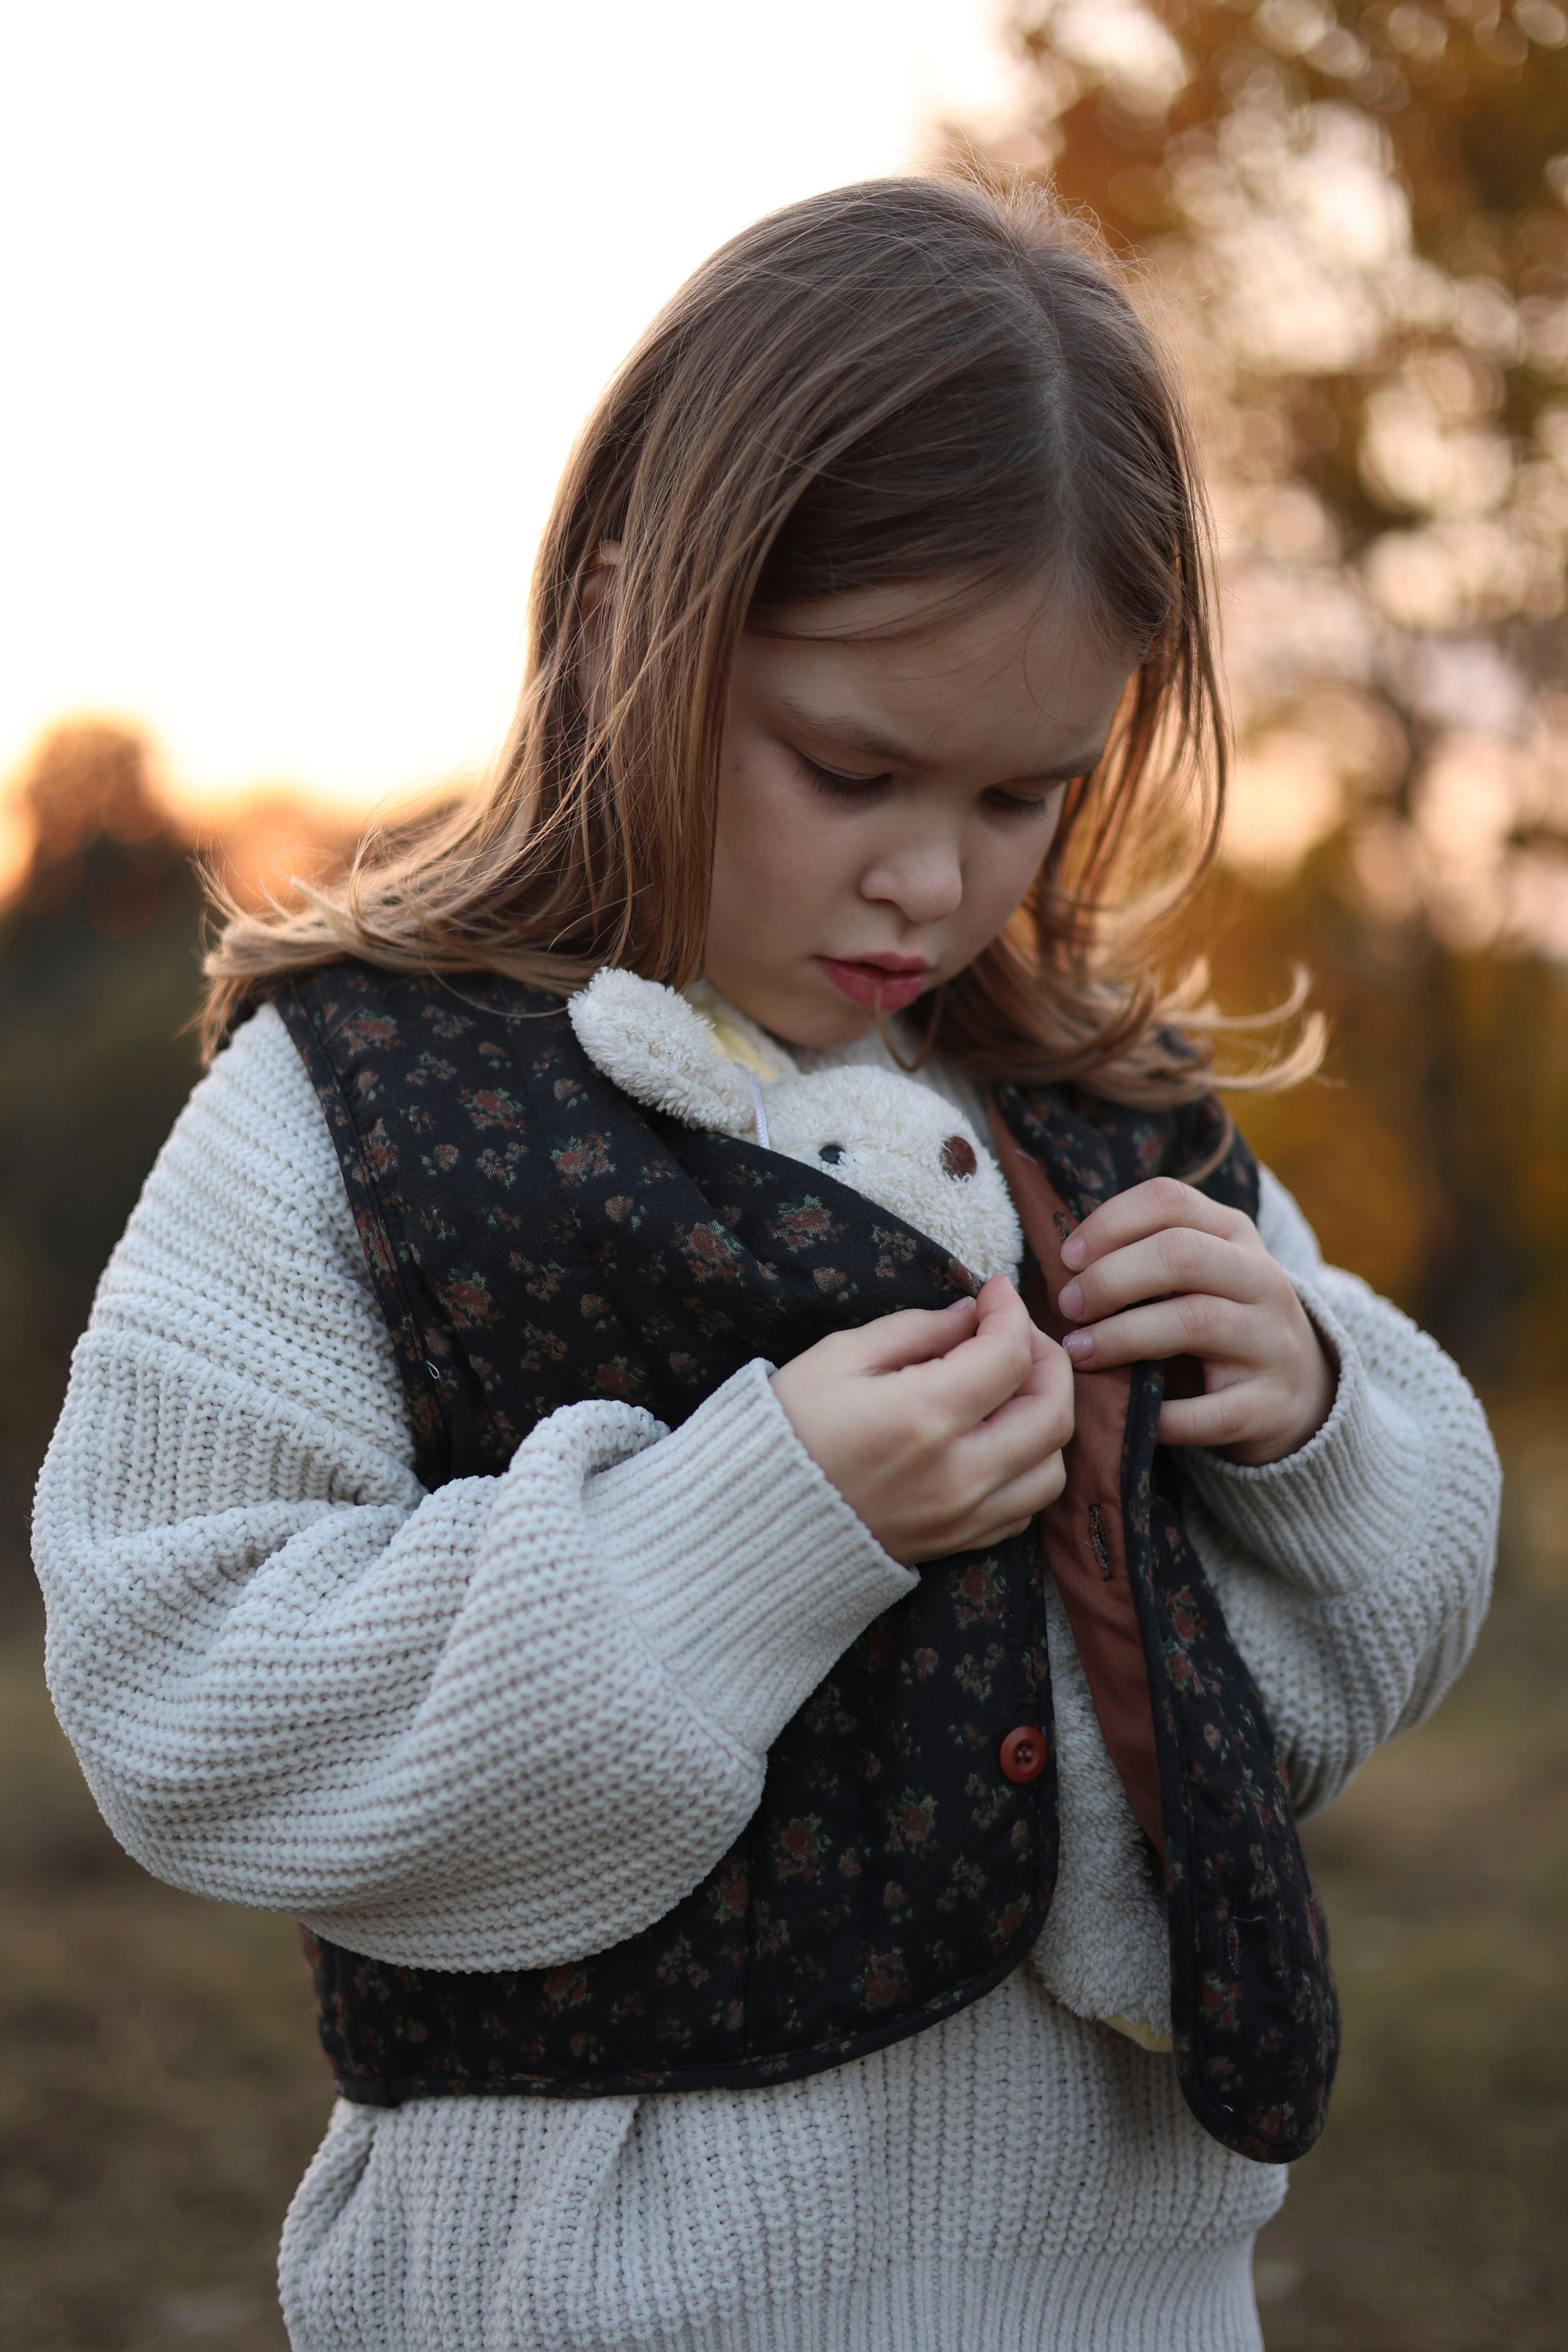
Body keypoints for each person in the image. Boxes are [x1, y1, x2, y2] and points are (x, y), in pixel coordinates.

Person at [33, 178, 1498, 2352]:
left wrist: (1315, 1416)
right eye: (853, 766)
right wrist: (748, 1530)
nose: (934, 876)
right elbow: (178, 1695)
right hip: (587, 2291)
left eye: (1025, 796)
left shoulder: (1091, 1109)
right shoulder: (363, 1109)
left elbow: (1392, 1610)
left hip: (1120, 2289)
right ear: (638, 622)